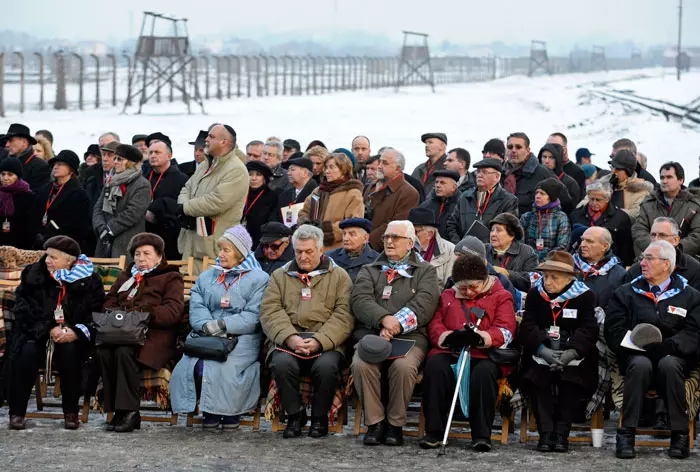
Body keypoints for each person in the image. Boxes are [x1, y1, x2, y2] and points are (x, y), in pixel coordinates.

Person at [606, 240, 700, 460]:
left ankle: (679, 434)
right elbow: (614, 329)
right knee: (640, 365)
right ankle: (627, 434)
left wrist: (669, 346)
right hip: (635, 355)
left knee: (669, 364)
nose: (642, 262)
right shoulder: (625, 292)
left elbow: (694, 332)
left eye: (649, 258)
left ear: (666, 265)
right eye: (642, 258)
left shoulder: (691, 296)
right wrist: (639, 346)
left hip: (675, 358)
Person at [260, 224, 354, 438]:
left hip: (327, 341)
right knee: (282, 364)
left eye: (309, 251)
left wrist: (320, 340)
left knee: (327, 366)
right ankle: (295, 415)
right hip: (288, 340)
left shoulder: (339, 277)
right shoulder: (279, 276)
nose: (303, 257)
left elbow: (344, 314)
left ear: (321, 250)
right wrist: (290, 337)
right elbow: (270, 311)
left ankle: (320, 418)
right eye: (298, 251)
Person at [352, 220, 440, 446]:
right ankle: (375, 423)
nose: (389, 242)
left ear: (410, 243)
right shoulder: (370, 270)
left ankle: (395, 424)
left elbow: (426, 303)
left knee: (403, 367)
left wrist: (397, 325)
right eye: (386, 237)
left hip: (411, 337)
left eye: (395, 238)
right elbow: (360, 300)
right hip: (373, 335)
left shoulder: (425, 271)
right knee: (362, 365)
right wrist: (383, 319)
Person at [171, 226, 269, 429]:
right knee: (192, 365)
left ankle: (229, 414)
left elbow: (254, 315)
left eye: (227, 250)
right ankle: (210, 412)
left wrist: (223, 325)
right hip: (205, 334)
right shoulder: (208, 276)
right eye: (220, 249)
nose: (221, 254)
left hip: (241, 337)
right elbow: (196, 306)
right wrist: (207, 326)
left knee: (223, 366)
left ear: (240, 253)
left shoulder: (259, 279)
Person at [420, 253, 516, 451]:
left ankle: (481, 434)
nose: (469, 292)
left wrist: (483, 337)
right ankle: (434, 431)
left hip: (485, 354)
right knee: (436, 367)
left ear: (484, 280)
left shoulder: (501, 296)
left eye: (474, 287)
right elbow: (435, 324)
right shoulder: (447, 296)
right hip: (452, 351)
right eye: (463, 288)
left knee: (483, 374)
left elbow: (507, 329)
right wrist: (448, 337)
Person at [7, 236, 104, 430]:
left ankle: (71, 412)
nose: (47, 260)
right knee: (26, 352)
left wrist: (76, 332)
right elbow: (24, 308)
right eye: (47, 256)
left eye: (53, 257)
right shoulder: (33, 274)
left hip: (73, 333)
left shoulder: (90, 280)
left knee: (70, 352)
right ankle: (17, 412)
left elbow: (97, 312)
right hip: (35, 330)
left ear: (70, 260)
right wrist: (49, 327)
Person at [96, 233, 185, 433]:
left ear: (160, 256)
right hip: (121, 331)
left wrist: (145, 312)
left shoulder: (171, 277)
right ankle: (118, 410)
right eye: (137, 254)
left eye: (146, 254)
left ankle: (129, 412)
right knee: (104, 351)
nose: (141, 259)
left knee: (124, 352)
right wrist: (119, 313)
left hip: (154, 336)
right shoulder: (126, 277)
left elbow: (173, 312)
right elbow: (109, 302)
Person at [519, 251, 598, 453]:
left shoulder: (585, 296)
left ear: (569, 278)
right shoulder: (536, 294)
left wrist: (571, 352)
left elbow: (589, 329)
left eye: (554, 277)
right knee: (537, 376)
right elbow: (528, 325)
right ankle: (545, 433)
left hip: (574, 354)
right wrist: (542, 349)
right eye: (545, 276)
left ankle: (561, 434)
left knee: (570, 379)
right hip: (542, 351)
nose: (548, 282)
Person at [178, 124, 248, 274]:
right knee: (186, 294)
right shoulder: (205, 164)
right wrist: (183, 204)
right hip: (191, 245)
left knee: (210, 294)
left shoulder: (236, 169)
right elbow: (186, 188)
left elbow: (217, 201)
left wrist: (185, 208)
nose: (206, 140)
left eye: (211, 136)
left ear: (224, 142)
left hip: (214, 252)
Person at [297, 152, 364, 250]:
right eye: (326, 168)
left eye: (331, 167)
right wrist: (307, 224)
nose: (327, 171)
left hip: (338, 249)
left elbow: (353, 223)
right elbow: (304, 212)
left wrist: (322, 230)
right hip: (312, 248)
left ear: (343, 169)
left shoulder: (352, 193)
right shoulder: (318, 191)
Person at [93, 145, 150, 259]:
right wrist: (101, 227)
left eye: (120, 159)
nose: (115, 162)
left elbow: (133, 213)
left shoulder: (142, 184)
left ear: (131, 162)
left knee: (122, 276)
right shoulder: (111, 180)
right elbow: (98, 207)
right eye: (115, 158)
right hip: (104, 242)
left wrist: (110, 230)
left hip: (126, 243)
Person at [632, 162, 700, 257]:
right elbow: (639, 231)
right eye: (662, 178)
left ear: (681, 180)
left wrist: (673, 250)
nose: (664, 181)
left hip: (684, 258)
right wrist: (657, 248)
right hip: (652, 257)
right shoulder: (648, 204)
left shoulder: (694, 205)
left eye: (669, 177)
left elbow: (697, 236)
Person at [445, 158, 519, 245]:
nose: (479, 175)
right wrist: (459, 245)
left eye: (484, 172)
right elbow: (452, 224)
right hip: (463, 252)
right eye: (478, 171)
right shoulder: (465, 196)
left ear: (497, 177)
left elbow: (507, 232)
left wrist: (484, 249)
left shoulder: (508, 200)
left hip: (491, 253)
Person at [35, 150, 91, 251]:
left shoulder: (79, 194)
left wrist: (52, 235)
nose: (55, 167)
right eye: (55, 164)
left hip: (64, 246)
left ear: (71, 169)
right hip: (40, 243)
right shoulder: (46, 189)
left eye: (60, 164)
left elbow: (78, 227)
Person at [569, 181, 634, 267]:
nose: (594, 203)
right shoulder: (576, 215)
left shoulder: (621, 217)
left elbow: (625, 247)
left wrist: (625, 266)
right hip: (580, 263)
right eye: (591, 199)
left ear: (607, 198)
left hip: (609, 263)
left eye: (598, 200)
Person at [624, 217, 700, 291]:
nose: (656, 239)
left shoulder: (694, 270)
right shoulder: (636, 270)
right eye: (653, 235)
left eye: (662, 235)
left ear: (676, 240)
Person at [364, 148, 419, 250]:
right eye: (380, 162)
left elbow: (397, 224)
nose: (379, 166)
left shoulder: (409, 193)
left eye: (384, 163)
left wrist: (368, 240)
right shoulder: (371, 187)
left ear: (397, 169)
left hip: (387, 250)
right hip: (365, 247)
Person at [144, 138, 189, 261]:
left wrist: (158, 207)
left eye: (157, 152)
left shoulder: (182, 179)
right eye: (150, 153)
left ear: (169, 156)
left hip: (170, 238)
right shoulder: (145, 178)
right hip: (146, 236)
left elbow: (181, 208)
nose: (153, 156)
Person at [502, 132, 556, 216]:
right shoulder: (499, 173)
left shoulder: (543, 174)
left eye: (518, 147)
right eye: (510, 147)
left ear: (528, 150)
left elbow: (562, 202)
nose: (513, 150)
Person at [574, 227, 626, 311]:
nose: (582, 245)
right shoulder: (568, 267)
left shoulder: (620, 274)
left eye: (589, 241)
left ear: (604, 246)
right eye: (582, 240)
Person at [520, 178, 571, 261]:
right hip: (527, 261)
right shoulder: (526, 217)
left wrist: (545, 261)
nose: (537, 196)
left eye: (542, 194)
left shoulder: (561, 217)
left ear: (551, 197)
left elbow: (562, 246)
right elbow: (519, 243)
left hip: (550, 264)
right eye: (536, 193)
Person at [486, 212, 539, 292]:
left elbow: (534, 280)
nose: (493, 234)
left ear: (512, 235)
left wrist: (508, 274)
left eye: (498, 230)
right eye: (492, 230)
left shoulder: (527, 252)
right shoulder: (484, 249)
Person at [409, 207, 455, 290]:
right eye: (409, 232)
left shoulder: (450, 251)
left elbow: (449, 288)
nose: (411, 236)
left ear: (429, 234)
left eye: (416, 232)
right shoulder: (403, 247)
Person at [325, 217, 378, 282]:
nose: (346, 238)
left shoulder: (377, 261)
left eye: (352, 234)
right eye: (344, 234)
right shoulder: (329, 257)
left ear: (365, 238)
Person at [0, 157, 37, 249]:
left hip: (19, 247)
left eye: (10, 174)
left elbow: (30, 227)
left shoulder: (28, 196)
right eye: (2, 174)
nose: (5, 178)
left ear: (17, 176)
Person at [3, 123, 50, 192]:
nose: (7, 145)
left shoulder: (41, 167)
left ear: (24, 142)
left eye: (10, 140)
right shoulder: (3, 162)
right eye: (6, 141)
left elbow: (38, 197)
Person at [243, 161, 279, 249]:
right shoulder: (241, 192)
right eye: (250, 174)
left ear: (264, 177)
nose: (253, 178)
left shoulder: (272, 195)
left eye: (258, 174)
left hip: (259, 241)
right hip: (239, 236)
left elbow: (272, 220)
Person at [538, 143, 581, 213]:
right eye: (544, 157)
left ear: (558, 159)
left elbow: (572, 211)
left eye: (551, 157)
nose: (546, 161)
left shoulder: (570, 183)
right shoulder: (536, 178)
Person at [419, 170, 460, 237]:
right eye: (436, 182)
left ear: (453, 187)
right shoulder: (426, 205)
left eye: (442, 183)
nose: (438, 185)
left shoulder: (461, 205)